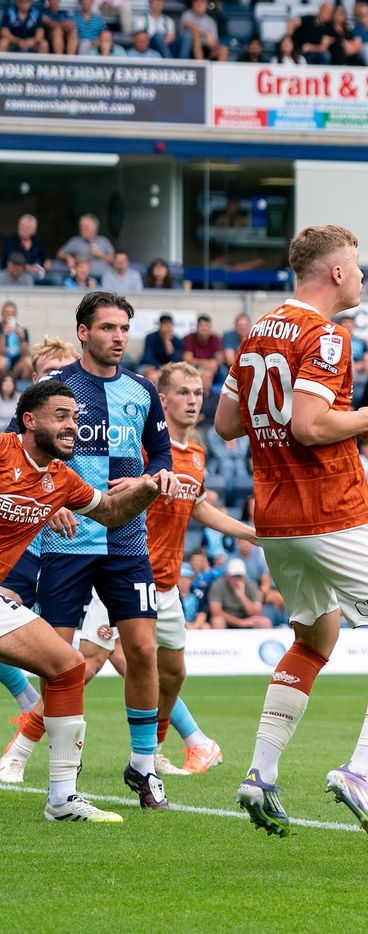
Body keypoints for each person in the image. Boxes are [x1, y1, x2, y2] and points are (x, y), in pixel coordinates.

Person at [217, 225, 368, 853]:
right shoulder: (325, 336)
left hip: (276, 518)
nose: (364, 277)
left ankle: (261, 775)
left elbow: (227, 422)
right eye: (358, 267)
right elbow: (311, 425)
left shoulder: (258, 331)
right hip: (331, 511)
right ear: (337, 272)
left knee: (314, 640)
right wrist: (367, 418)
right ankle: (363, 772)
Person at [59, 363, 255, 777]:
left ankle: (159, 750)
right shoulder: (144, 450)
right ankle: (20, 751)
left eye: (198, 393)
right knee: (90, 662)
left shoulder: (196, 454)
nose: (193, 401)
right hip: (125, 570)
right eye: (183, 392)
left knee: (172, 672)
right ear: (161, 400)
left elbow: (197, 507)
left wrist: (250, 533)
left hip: (165, 584)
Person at [21, 292, 175, 809]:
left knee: (144, 651)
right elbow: (19, 457)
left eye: (124, 328)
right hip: (66, 543)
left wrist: (155, 477)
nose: (119, 337)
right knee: (57, 660)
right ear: (83, 332)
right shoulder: (53, 389)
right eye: (108, 327)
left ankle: (144, 766)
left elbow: (161, 454)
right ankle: (64, 773)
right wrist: (45, 502)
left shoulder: (142, 390)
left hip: (126, 541)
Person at [56, 213, 114, 279]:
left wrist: (101, 255)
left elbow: (115, 260)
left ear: (94, 229)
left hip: (104, 279)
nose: (82, 229)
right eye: (81, 226)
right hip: (82, 280)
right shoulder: (75, 241)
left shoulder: (104, 241)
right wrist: (67, 257)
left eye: (86, 227)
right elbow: (59, 254)